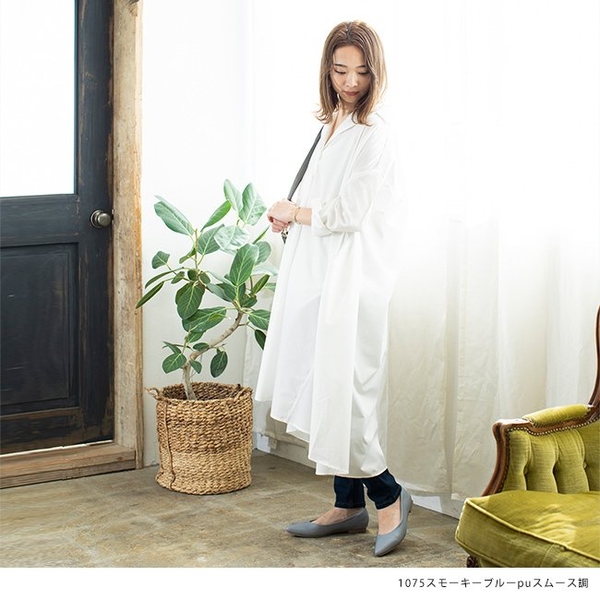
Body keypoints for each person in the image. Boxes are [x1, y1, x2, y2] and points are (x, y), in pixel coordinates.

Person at [255, 20, 410, 558]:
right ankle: (347, 505)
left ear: (376, 73)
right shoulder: (333, 122)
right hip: (320, 273)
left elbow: (348, 213)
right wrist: (291, 212)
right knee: (327, 388)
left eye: (361, 72)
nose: (350, 82)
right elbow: (321, 196)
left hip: (354, 278)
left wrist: (296, 212)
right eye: (340, 70)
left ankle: (388, 495)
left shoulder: (375, 134)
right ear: (327, 70)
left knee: (349, 392)